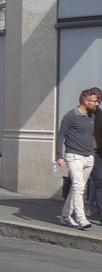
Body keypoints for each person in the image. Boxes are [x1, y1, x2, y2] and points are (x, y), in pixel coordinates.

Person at [55, 86, 101, 229]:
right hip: (74, 156)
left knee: (77, 188)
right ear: (85, 101)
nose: (97, 103)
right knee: (79, 186)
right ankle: (81, 218)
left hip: (89, 157)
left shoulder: (91, 116)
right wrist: (59, 156)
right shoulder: (70, 116)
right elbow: (61, 135)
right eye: (94, 101)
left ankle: (65, 215)